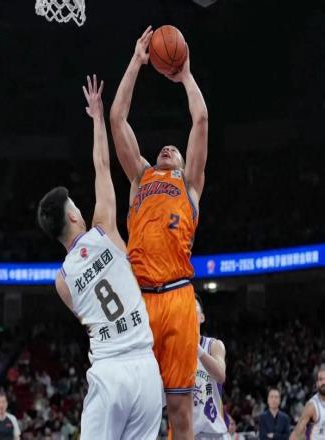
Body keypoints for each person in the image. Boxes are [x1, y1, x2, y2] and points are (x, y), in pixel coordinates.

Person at [37, 75, 162, 440]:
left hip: (109, 371)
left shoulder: (62, 282)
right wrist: (96, 117)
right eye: (75, 204)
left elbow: (88, 321)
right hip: (145, 366)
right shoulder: (104, 228)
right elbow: (102, 165)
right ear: (74, 215)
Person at [110, 26, 208, 439]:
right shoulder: (140, 177)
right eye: (164, 148)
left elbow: (200, 119)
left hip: (179, 297)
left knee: (180, 411)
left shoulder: (189, 186)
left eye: (175, 149)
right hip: (141, 299)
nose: (168, 148)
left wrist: (186, 76)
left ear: (184, 164)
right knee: (137, 406)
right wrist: (136, 62)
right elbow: (117, 118)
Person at [191, 296, 229, 440]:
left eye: (193, 307)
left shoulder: (214, 345)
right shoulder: (174, 352)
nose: (189, 311)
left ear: (202, 317)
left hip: (215, 434)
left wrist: (197, 348)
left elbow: (220, 376)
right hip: (189, 435)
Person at [289, 365, 325, 440]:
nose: (323, 382)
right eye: (320, 379)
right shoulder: (312, 406)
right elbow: (296, 435)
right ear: (317, 383)